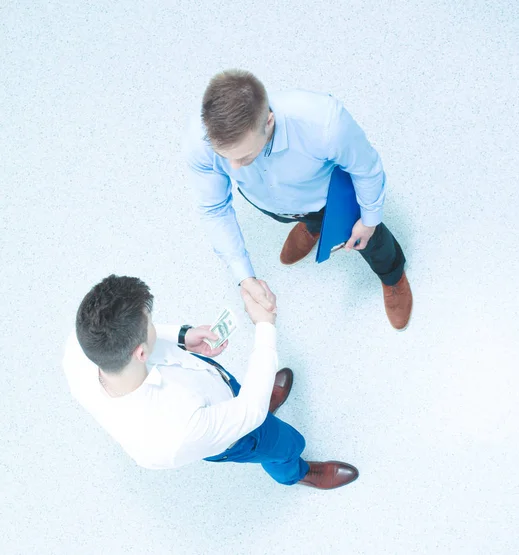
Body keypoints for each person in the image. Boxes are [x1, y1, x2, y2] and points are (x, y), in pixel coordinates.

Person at [62, 274, 358, 489]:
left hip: (219, 392)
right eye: (150, 325)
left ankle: (261, 392)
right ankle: (296, 471)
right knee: (282, 443)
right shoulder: (172, 435)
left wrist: (181, 336)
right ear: (140, 352)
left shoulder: (84, 345)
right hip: (235, 436)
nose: (154, 326)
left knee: (244, 393)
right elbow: (250, 414)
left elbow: (136, 336)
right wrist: (265, 325)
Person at [183, 69, 413, 330]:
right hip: (271, 202)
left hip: (329, 198)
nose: (234, 169)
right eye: (225, 157)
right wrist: (244, 277)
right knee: (294, 218)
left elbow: (367, 170)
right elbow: (214, 208)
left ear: (268, 122)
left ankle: (392, 276)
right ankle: (314, 228)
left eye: (245, 157)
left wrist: (370, 221)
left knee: (373, 242)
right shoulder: (200, 138)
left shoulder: (326, 123)